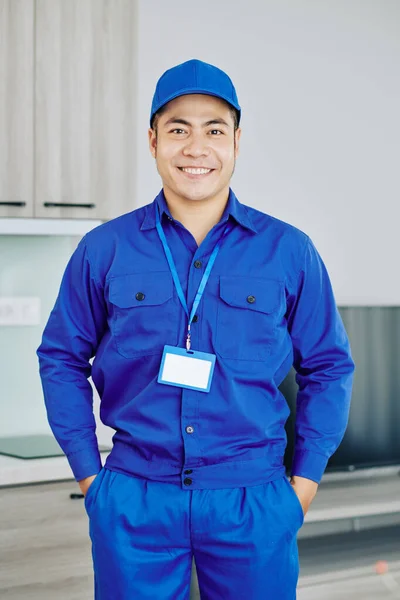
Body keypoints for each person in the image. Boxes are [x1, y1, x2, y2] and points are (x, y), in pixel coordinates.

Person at [37, 58, 355, 599]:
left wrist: (301, 486)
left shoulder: (289, 251)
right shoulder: (105, 248)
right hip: (136, 496)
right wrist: (92, 477)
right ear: (153, 139)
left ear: (236, 142)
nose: (196, 147)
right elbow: (61, 358)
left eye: (214, 130)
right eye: (178, 129)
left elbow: (328, 366)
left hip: (251, 500)